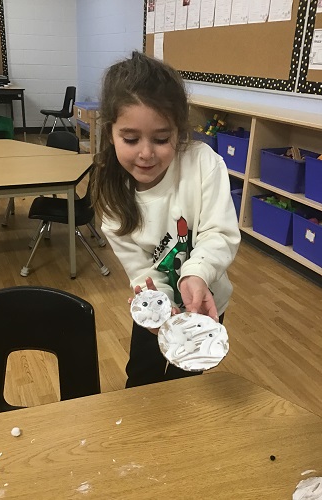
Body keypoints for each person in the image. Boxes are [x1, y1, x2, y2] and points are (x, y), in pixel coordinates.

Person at [90, 51, 241, 388]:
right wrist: (157, 307)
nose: (146, 153)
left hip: (206, 302)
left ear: (178, 132)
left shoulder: (203, 164)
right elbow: (141, 270)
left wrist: (197, 274)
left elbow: (220, 232)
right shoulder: (115, 198)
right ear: (110, 132)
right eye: (130, 139)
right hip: (157, 312)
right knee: (141, 376)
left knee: (187, 381)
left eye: (161, 139)